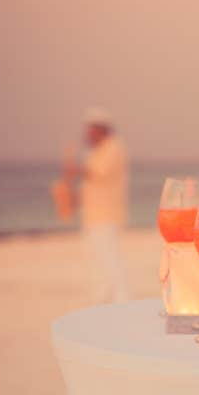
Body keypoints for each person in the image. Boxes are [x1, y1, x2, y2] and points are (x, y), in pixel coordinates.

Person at [62, 108, 130, 303]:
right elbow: (91, 183)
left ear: (102, 130)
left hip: (106, 215)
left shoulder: (114, 147)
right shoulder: (97, 151)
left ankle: (122, 301)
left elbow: (97, 172)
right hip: (92, 215)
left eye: (91, 130)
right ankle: (102, 303)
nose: (87, 135)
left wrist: (72, 166)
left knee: (110, 262)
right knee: (97, 264)